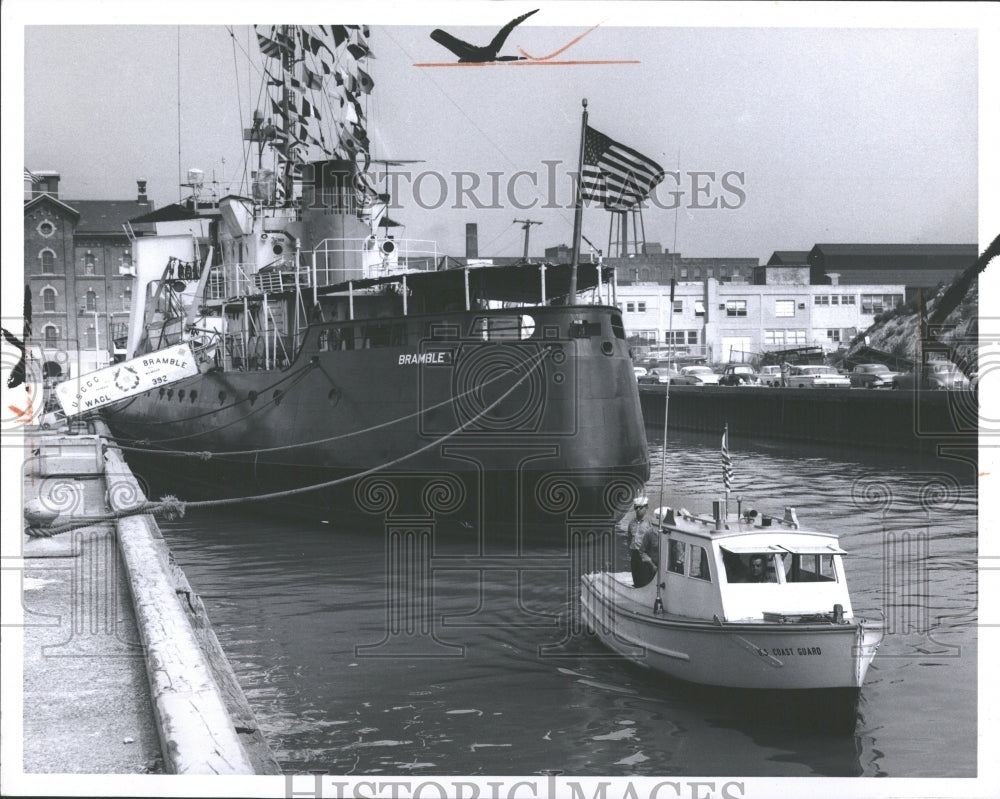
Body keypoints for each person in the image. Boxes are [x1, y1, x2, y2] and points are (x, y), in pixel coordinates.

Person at [627, 495, 658, 588]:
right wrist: (630, 552)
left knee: (645, 580)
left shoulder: (650, 522)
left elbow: (654, 539)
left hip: (645, 554)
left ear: (646, 507)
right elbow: (629, 538)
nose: (638, 510)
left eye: (641, 507)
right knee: (636, 577)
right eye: (636, 507)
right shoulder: (631, 522)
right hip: (635, 553)